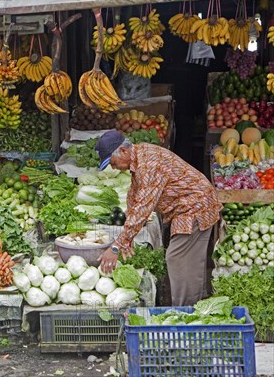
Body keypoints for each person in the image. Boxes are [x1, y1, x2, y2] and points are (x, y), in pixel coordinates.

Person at [95, 130, 222, 306]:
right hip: (186, 207)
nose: (114, 168)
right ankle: (195, 306)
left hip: (195, 206)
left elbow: (144, 206)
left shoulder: (149, 164)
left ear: (123, 151)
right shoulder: (140, 157)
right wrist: (128, 236)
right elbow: (135, 196)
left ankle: (185, 313)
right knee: (187, 261)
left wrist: (117, 246)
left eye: (112, 163)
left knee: (178, 259)